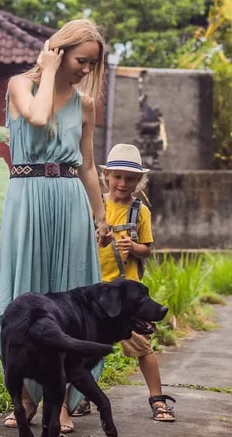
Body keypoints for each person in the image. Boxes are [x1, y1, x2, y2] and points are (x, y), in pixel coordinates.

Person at [0, 18, 112, 436]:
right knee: (23, 293)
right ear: (59, 52)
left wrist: (101, 218)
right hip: (26, 197)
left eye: (93, 64)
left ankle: (57, 405)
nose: (86, 71)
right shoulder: (20, 86)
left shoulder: (86, 104)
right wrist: (46, 69)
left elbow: (89, 166)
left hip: (69, 200)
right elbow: (39, 118)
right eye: (82, 61)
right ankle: (23, 397)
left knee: (68, 300)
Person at [73, 143, 176, 422]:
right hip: (97, 292)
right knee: (86, 348)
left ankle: (157, 398)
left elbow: (147, 250)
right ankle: (81, 397)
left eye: (130, 179)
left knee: (142, 347)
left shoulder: (140, 212)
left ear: (138, 181)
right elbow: (83, 242)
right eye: (117, 177)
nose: (123, 183)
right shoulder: (95, 205)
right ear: (106, 176)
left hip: (128, 296)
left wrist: (133, 247)